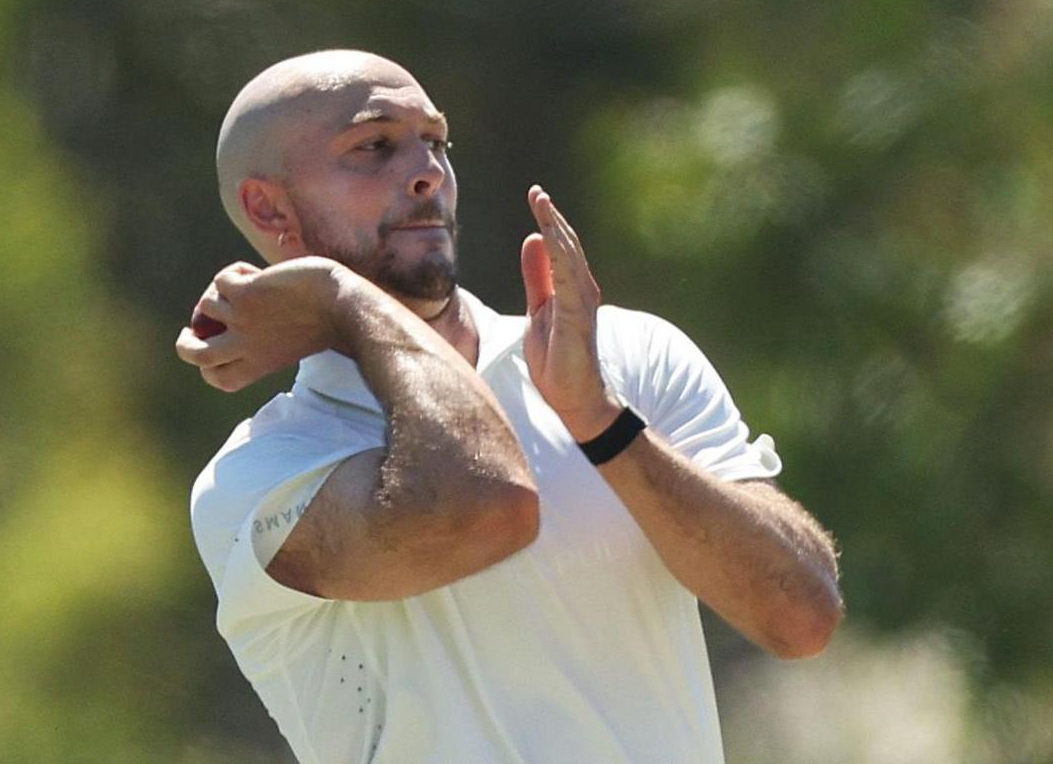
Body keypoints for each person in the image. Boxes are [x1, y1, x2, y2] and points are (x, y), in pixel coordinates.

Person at [176, 49, 843, 764]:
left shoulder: (624, 358)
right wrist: (340, 300)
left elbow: (799, 617)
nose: (428, 172)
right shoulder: (260, 475)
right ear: (268, 209)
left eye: (436, 141)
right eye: (374, 146)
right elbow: (487, 506)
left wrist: (601, 422)